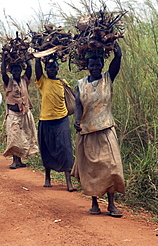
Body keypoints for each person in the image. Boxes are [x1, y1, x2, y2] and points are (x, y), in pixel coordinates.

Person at [71, 42, 125, 217]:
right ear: (86, 66)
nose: (95, 67)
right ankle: (94, 203)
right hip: (87, 132)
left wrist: (117, 54)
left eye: (98, 64)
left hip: (106, 129)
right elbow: (78, 104)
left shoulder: (107, 78)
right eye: (91, 65)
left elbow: (116, 62)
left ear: (102, 65)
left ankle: (111, 205)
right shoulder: (80, 84)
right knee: (91, 170)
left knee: (111, 166)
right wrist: (77, 120)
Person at [34, 57, 76, 192]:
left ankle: (68, 182)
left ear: (58, 69)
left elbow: (73, 97)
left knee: (65, 149)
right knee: (46, 149)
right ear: (46, 69)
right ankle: (47, 177)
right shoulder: (43, 81)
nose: (52, 69)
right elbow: (37, 71)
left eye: (54, 67)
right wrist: (37, 59)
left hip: (61, 120)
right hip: (45, 120)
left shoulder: (63, 83)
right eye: (49, 68)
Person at [1, 55, 39, 169]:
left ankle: (20, 160)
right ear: (11, 71)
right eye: (14, 70)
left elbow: (29, 69)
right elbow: (3, 73)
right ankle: (15, 161)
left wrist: (27, 59)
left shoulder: (24, 81)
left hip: (25, 113)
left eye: (18, 69)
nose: (16, 72)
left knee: (25, 135)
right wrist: (3, 59)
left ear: (20, 70)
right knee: (14, 137)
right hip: (13, 114)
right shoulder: (8, 81)